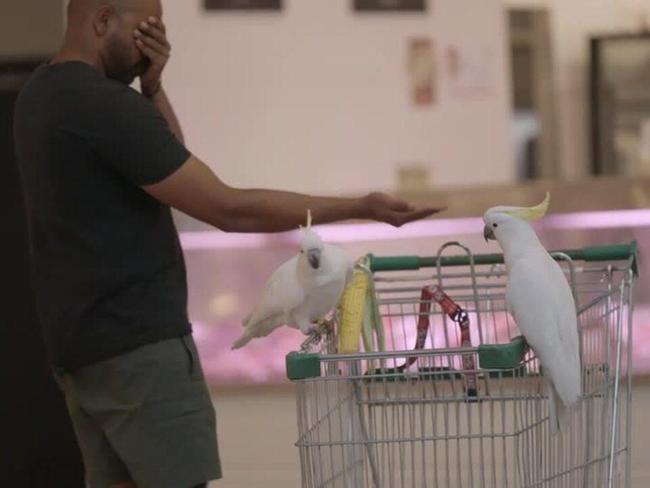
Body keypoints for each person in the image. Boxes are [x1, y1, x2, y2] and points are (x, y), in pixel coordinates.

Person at [13, 1, 444, 487]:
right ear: (101, 21)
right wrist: (360, 207)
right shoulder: (103, 106)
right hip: (141, 353)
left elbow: (168, 159)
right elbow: (227, 209)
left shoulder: (40, 96)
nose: (152, 44)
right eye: (145, 30)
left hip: (83, 352)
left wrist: (151, 86)